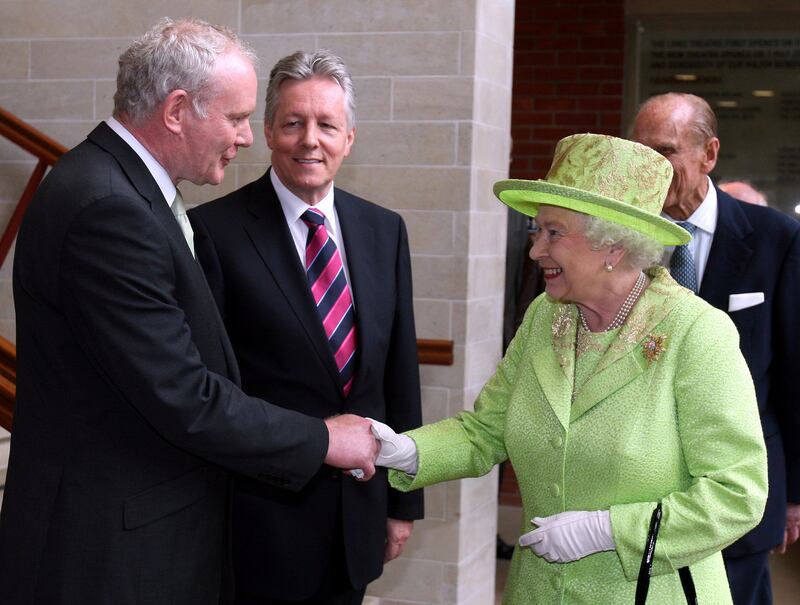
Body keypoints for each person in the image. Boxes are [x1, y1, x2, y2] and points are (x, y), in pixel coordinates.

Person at [0, 19, 378, 605]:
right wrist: (321, 439)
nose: (249, 137)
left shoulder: (126, 189)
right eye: (235, 117)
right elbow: (183, 394)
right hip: (112, 553)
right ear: (177, 109)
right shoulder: (108, 207)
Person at [370, 133, 768, 603]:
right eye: (538, 231)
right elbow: (486, 431)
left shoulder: (695, 332)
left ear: (613, 246)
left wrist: (607, 530)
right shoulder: (545, 316)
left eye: (553, 233)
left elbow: (738, 492)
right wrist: (404, 450)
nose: (536, 249)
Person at [188, 49, 424, 605]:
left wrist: (402, 502)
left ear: (350, 138)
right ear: (268, 130)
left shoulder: (384, 231)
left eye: (326, 125)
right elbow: (210, 388)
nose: (309, 140)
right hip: (259, 522)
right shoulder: (212, 233)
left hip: (358, 515)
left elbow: (399, 374)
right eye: (293, 123)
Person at [632, 92, 800, 605]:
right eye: (639, 152)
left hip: (738, 493)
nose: (650, 168)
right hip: (637, 490)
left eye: (664, 152)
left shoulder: (777, 239)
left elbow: (795, 373)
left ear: (709, 154)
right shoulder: (617, 237)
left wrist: (794, 494)